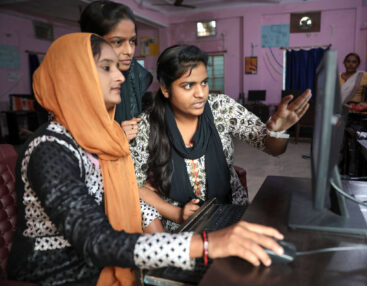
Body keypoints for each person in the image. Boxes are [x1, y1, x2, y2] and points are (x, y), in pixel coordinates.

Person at [6, 33, 286, 285]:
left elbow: (129, 195)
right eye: (106, 67)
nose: (120, 76)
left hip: (105, 259)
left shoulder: (102, 139)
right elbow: (96, 240)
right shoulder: (50, 147)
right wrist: (205, 243)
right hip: (62, 273)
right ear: (73, 76)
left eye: (118, 67)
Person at [130, 44, 312, 231]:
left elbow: (273, 149)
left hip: (231, 209)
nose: (201, 94)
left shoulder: (221, 108)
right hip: (179, 220)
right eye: (188, 85)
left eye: (204, 82)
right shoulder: (147, 126)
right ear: (166, 90)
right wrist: (177, 213)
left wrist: (277, 131)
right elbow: (135, 185)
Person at [80, 0, 153, 141]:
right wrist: (117, 136)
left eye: (132, 41)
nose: (129, 51)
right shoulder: (75, 80)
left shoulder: (133, 72)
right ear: (92, 41)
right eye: (117, 42)